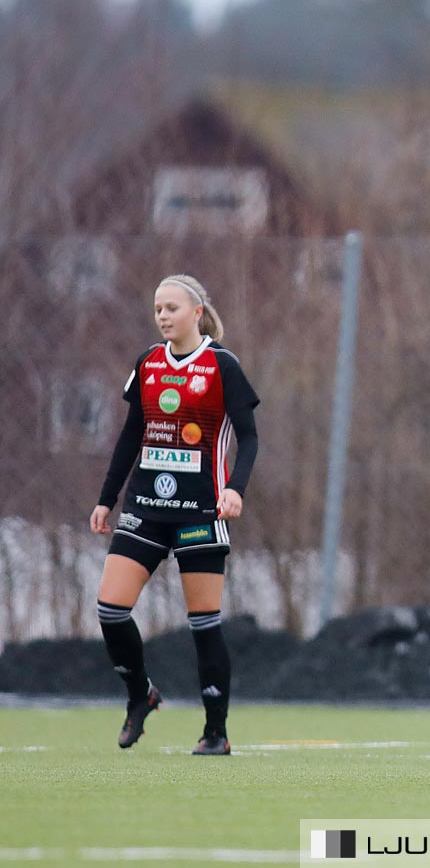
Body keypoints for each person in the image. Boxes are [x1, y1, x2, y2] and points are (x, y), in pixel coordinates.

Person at [90, 275, 260, 756]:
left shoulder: (222, 366)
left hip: (200, 511)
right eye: (157, 307)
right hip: (145, 508)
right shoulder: (148, 363)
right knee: (110, 608)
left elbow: (248, 437)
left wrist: (234, 488)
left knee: (203, 621)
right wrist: (107, 498)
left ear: (197, 312)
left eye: (171, 307)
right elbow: (130, 436)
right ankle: (140, 693)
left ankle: (215, 732)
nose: (162, 315)